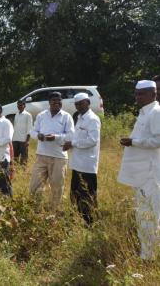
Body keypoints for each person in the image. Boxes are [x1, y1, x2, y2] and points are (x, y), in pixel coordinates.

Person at [118, 80, 160, 260]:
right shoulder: (145, 113)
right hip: (141, 174)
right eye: (136, 94)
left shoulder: (156, 112)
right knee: (142, 215)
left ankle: (148, 258)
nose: (137, 97)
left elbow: (159, 140)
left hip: (150, 175)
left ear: (153, 94)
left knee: (149, 217)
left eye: (142, 93)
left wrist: (133, 142)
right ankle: (147, 253)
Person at [30, 92, 75, 211]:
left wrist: (55, 137)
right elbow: (33, 132)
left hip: (59, 157)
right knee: (35, 185)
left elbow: (71, 135)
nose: (57, 103)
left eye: (59, 101)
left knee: (57, 186)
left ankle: (54, 211)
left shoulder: (66, 116)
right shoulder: (41, 115)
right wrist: (38, 135)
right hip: (41, 155)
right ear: (49, 103)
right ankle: (35, 210)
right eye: (54, 101)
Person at [63, 93, 101, 224]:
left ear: (88, 103)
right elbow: (77, 138)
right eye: (76, 104)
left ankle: (90, 222)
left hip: (87, 165)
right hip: (77, 163)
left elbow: (92, 140)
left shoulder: (92, 119)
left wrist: (73, 143)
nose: (78, 106)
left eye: (81, 103)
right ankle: (77, 219)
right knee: (75, 194)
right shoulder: (79, 118)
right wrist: (69, 143)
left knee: (87, 195)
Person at [12, 99, 33, 166]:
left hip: (23, 140)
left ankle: (23, 171)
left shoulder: (28, 115)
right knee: (15, 157)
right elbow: (15, 127)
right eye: (18, 105)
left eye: (21, 105)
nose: (19, 106)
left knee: (24, 158)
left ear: (24, 106)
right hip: (15, 139)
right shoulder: (16, 114)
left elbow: (29, 128)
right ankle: (15, 170)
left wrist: (27, 141)